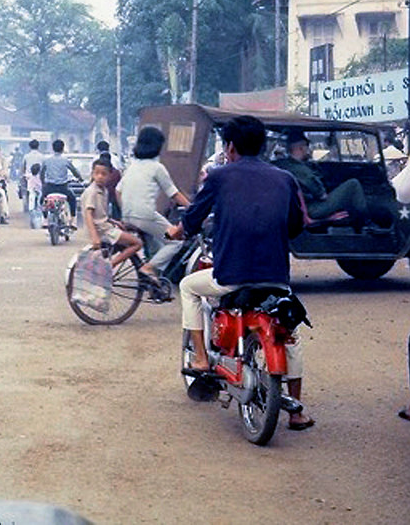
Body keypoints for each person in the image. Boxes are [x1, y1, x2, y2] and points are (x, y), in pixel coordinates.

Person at [168, 115, 314, 430]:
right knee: (290, 333)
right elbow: (296, 225)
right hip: (275, 277)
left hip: (230, 274)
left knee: (188, 287)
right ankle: (297, 411)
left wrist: (176, 231)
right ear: (262, 146)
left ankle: (202, 359)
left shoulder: (219, 176)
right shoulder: (284, 178)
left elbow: (192, 220)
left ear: (230, 147)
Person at [117, 127, 190, 280]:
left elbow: (118, 191)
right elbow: (173, 193)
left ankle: (154, 283)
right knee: (176, 240)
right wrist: (193, 209)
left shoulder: (132, 166)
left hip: (128, 215)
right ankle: (148, 268)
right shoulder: (157, 168)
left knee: (158, 246)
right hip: (145, 215)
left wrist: (126, 211)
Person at [273, 129, 383, 229]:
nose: (308, 149)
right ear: (301, 148)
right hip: (312, 209)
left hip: (293, 208)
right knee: (353, 185)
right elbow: (322, 196)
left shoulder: (280, 164)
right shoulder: (303, 172)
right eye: (307, 146)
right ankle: (367, 222)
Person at [81, 157, 142, 269]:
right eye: (97, 173)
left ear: (109, 176)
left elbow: (101, 214)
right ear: (92, 174)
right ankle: (109, 266)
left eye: (103, 174)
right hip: (103, 230)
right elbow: (88, 214)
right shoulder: (92, 192)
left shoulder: (104, 190)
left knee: (125, 238)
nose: (100, 176)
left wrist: (114, 221)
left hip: (106, 227)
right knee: (137, 243)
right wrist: (95, 237)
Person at [40, 139, 83, 217]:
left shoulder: (46, 160)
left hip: (49, 187)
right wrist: (80, 178)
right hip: (63, 188)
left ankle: (45, 219)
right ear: (63, 148)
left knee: (42, 200)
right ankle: (73, 219)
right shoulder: (66, 160)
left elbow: (41, 173)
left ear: (52, 148)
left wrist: (43, 183)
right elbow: (75, 171)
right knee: (72, 199)